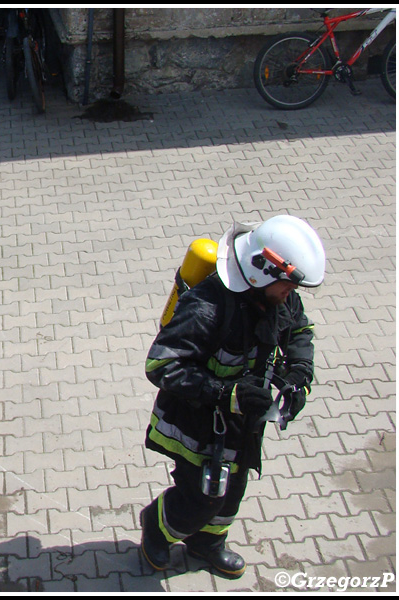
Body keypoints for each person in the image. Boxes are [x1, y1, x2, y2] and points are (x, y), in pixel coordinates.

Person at [139, 215, 325, 578]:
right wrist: (226, 394)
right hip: (196, 425)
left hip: (243, 427)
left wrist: (300, 373)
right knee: (199, 499)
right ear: (261, 273)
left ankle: (207, 544)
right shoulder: (207, 306)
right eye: (287, 285)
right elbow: (160, 365)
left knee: (232, 491)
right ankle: (157, 526)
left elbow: (299, 329)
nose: (291, 293)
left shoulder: (278, 298)